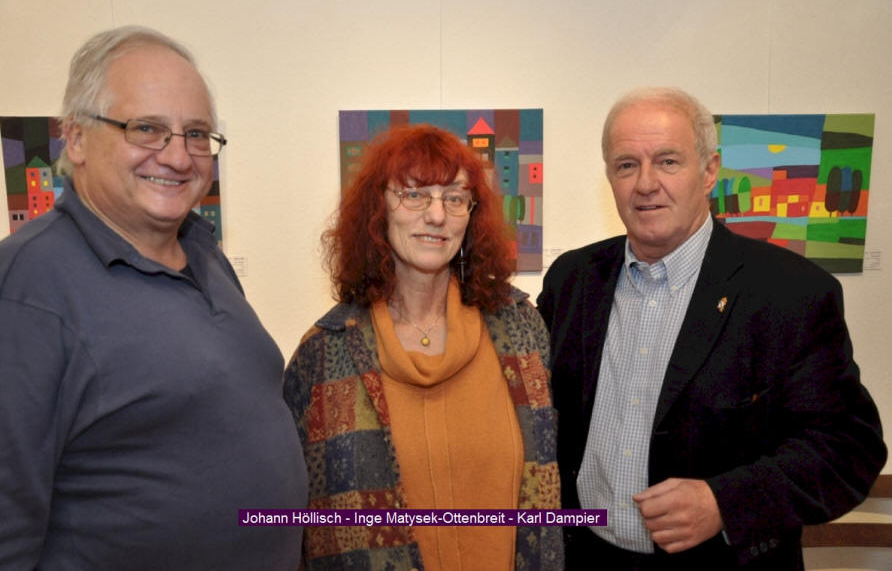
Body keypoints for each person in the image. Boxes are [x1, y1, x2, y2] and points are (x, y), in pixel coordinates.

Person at [0, 26, 307, 570]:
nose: (179, 158)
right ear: (76, 139)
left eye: (196, 134)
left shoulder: (204, 254)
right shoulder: (23, 289)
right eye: (147, 129)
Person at [537, 87, 886, 570]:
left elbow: (848, 449)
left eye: (668, 161)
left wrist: (726, 502)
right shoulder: (573, 280)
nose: (645, 183)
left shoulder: (791, 292)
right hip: (587, 558)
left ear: (709, 171)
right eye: (626, 165)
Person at [284, 124, 563, 570]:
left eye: (454, 198)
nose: (436, 215)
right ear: (378, 209)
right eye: (414, 194)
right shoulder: (322, 356)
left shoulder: (520, 330)